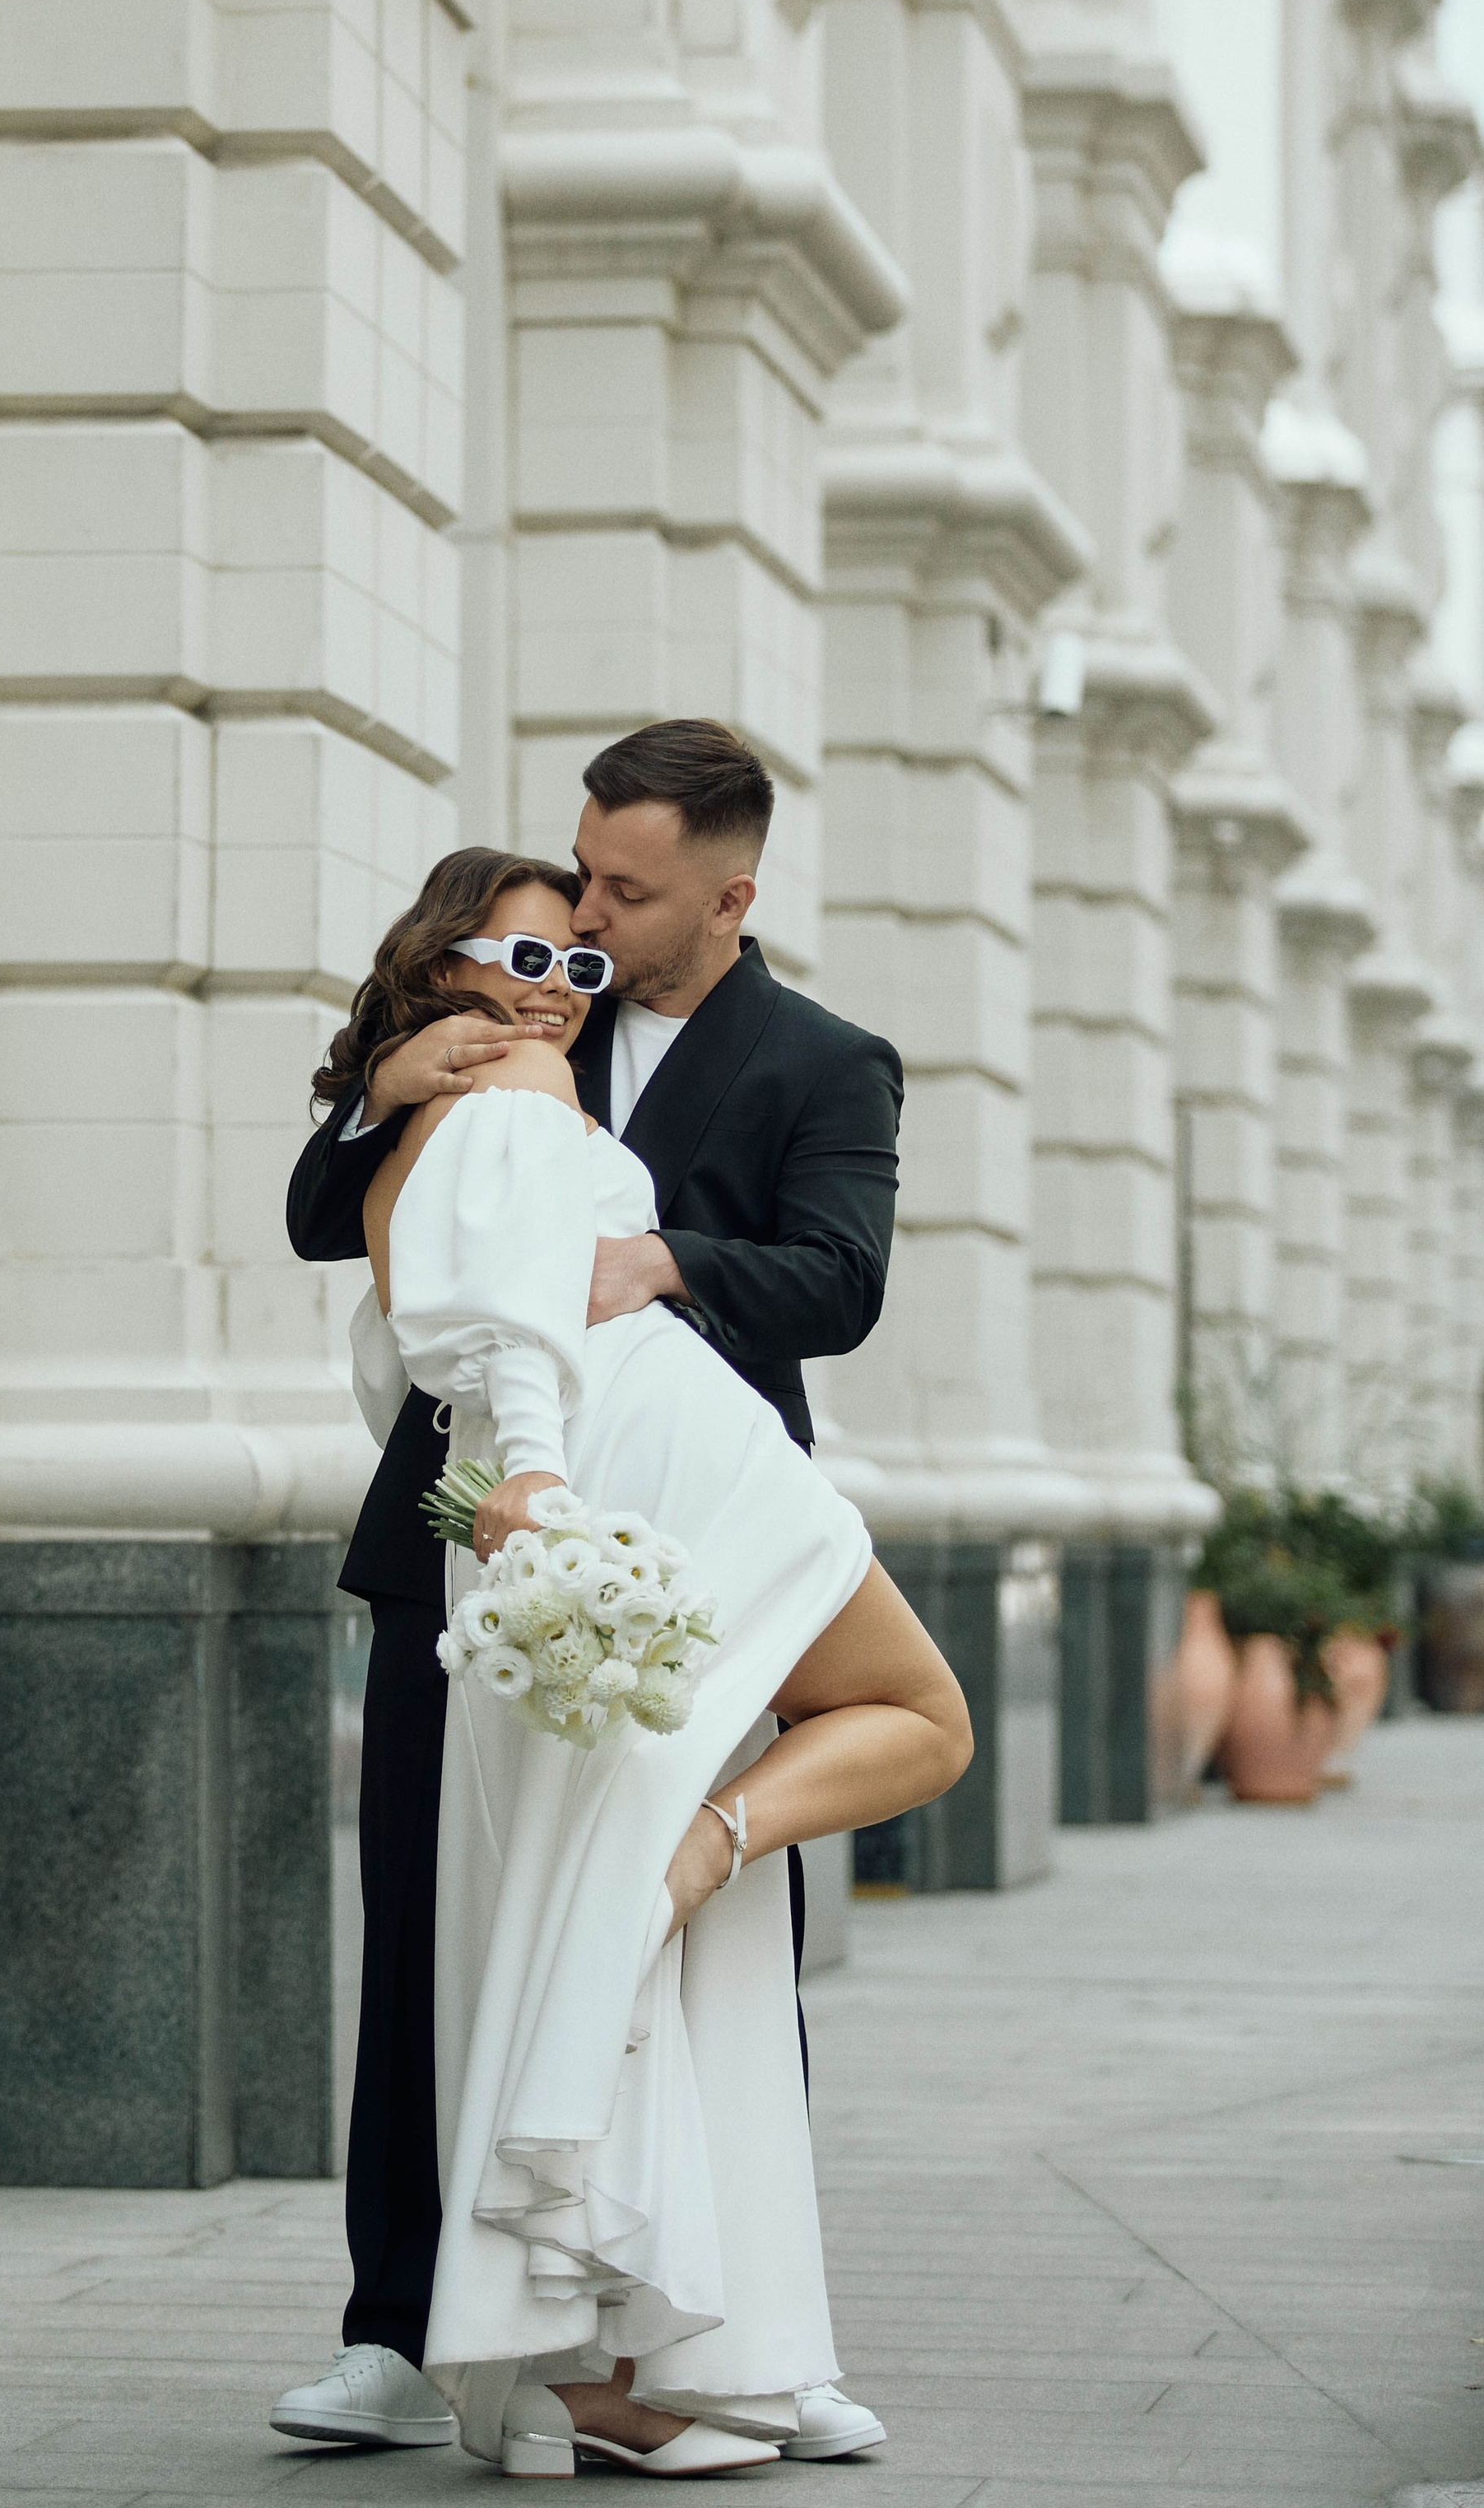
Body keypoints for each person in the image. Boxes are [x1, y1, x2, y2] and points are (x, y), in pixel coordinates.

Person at [272, 721, 950, 2468]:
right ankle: (395, 2320)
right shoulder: (471, 1049)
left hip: (691, 1515)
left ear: (729, 895)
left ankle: (737, 2327)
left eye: (616, 899)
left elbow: (840, 1281)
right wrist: (398, 1082)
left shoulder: (821, 1059)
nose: (580, 919)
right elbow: (318, 1214)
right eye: (575, 879)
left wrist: (663, 1256)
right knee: (436, 1916)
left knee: (722, 1941)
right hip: (463, 1521)